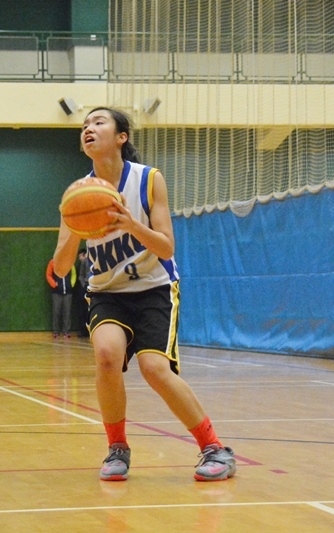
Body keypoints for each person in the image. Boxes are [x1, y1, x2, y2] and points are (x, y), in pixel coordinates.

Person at [52, 107, 236, 482]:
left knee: (154, 369)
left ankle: (215, 447)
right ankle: (117, 448)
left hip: (154, 288)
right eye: (85, 125)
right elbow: (59, 268)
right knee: (106, 356)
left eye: (98, 122)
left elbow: (166, 248)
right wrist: (75, 225)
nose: (89, 128)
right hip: (107, 292)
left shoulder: (149, 180)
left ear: (122, 136)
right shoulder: (76, 193)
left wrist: (131, 223)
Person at [46, 258, 74, 339]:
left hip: (68, 292)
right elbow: (48, 275)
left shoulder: (69, 262)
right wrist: (54, 284)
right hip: (56, 293)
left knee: (67, 312)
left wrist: (71, 284)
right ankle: (56, 331)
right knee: (56, 311)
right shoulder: (52, 262)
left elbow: (74, 273)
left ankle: (66, 331)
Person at [75, 248, 90, 337]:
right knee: (82, 310)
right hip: (85, 288)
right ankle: (83, 330)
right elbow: (81, 275)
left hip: (94, 287)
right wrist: (84, 285)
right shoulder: (84, 262)